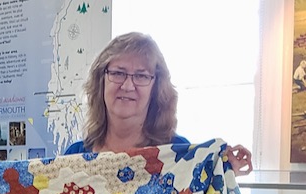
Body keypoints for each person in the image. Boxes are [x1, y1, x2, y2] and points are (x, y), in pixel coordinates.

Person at [64, 33, 253, 175]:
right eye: (118, 73)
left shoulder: (178, 154)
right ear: (101, 80)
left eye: (141, 76)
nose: (128, 85)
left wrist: (222, 171)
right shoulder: (74, 155)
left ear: (156, 88)